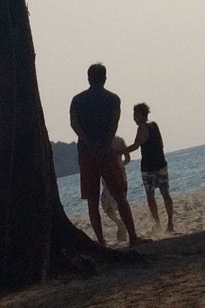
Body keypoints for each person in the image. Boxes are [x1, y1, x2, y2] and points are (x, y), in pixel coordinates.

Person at [70, 63, 140, 247]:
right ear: (105, 78)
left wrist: (88, 143)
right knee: (119, 195)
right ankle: (133, 236)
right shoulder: (113, 99)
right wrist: (105, 143)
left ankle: (101, 242)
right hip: (106, 151)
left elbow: (74, 124)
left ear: (88, 77)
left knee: (92, 199)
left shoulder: (77, 100)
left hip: (86, 152)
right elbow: (114, 123)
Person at [128, 102, 174, 233]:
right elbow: (161, 144)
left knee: (151, 195)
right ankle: (169, 222)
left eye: (135, 115)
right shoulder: (155, 125)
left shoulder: (143, 127)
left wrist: (118, 152)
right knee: (165, 193)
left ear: (142, 115)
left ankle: (159, 223)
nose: (134, 118)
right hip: (160, 162)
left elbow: (136, 145)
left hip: (149, 166)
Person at [100, 135, 131, 243]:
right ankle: (121, 224)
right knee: (115, 204)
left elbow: (127, 158)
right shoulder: (119, 140)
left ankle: (121, 225)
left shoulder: (106, 141)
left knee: (110, 205)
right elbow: (127, 158)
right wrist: (120, 165)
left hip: (112, 176)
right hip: (119, 175)